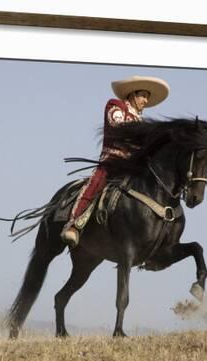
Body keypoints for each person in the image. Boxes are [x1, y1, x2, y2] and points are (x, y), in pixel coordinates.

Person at [61, 75, 170, 248]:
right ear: (132, 95)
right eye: (142, 95)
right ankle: (74, 224)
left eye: (147, 97)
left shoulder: (142, 121)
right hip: (113, 160)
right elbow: (119, 126)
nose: (145, 100)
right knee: (97, 182)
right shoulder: (115, 105)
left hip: (134, 167)